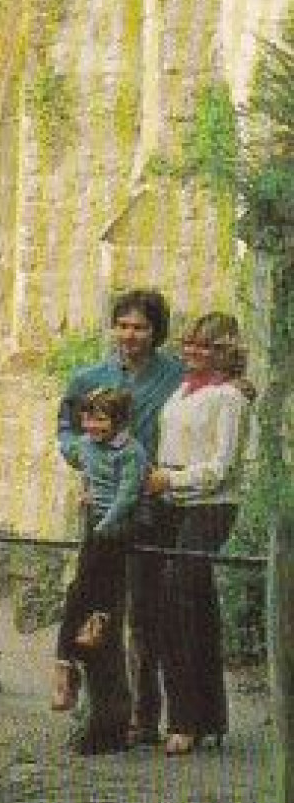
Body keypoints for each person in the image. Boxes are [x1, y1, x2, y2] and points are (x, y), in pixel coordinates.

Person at [57, 288, 183, 745]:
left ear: (156, 332)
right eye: (123, 325)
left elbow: (211, 392)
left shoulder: (175, 376)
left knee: (146, 614)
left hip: (151, 510)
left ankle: (145, 717)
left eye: (141, 327)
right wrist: (87, 460)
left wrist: (239, 385)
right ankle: (105, 712)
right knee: (98, 610)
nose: (130, 335)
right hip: (102, 507)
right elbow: (67, 432)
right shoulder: (87, 377)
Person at [145, 312, 251, 757]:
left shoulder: (228, 398)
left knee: (179, 599)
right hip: (172, 503)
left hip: (208, 505)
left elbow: (221, 467)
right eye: (190, 344)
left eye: (205, 346)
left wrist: (172, 480)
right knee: (193, 608)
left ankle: (185, 721)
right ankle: (208, 718)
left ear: (224, 352)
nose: (193, 352)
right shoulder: (184, 391)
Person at [51, 388, 148, 751]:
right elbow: (66, 444)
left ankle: (68, 664)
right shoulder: (86, 444)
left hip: (116, 529)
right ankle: (68, 659)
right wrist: (64, 417)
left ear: (119, 421)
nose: (93, 425)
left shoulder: (132, 452)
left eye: (101, 419)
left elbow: (128, 493)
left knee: (91, 592)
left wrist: (105, 523)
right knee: (81, 593)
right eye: (89, 419)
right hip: (95, 526)